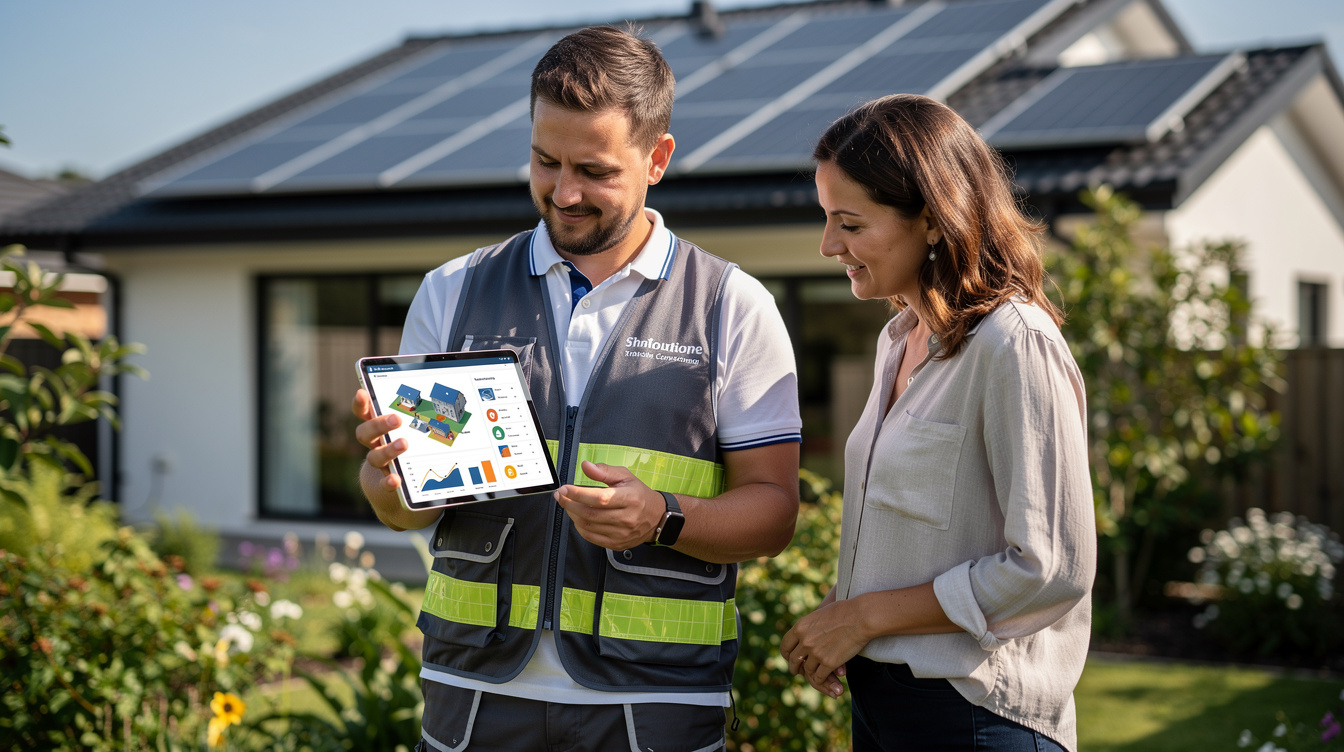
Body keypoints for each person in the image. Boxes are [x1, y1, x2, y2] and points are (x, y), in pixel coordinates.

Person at [352, 26, 802, 752]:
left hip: (653, 700)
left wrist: (663, 515)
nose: (563, 193)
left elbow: (775, 514)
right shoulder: (452, 292)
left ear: (657, 159)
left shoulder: (731, 305)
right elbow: (404, 511)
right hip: (474, 694)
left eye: (594, 170)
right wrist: (386, 479)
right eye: (544, 160)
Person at [780, 94, 1095, 752]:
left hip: (978, 716)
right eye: (826, 220)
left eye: (850, 223)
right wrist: (851, 625)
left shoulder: (1015, 343)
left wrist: (862, 617)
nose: (828, 244)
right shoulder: (898, 341)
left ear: (930, 219)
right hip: (885, 704)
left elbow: (1053, 566)